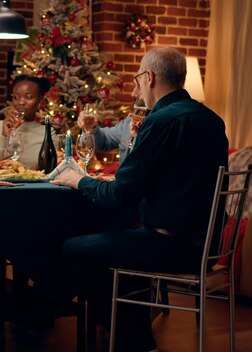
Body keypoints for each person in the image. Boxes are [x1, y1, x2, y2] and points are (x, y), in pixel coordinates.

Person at [51, 47, 229, 351]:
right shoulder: (213, 120)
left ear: (149, 77)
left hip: (169, 246)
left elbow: (120, 194)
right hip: (205, 247)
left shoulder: (159, 122)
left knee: (72, 247)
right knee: (124, 242)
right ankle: (133, 335)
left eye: (137, 78)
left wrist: (78, 180)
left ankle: (128, 337)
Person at [0, 75, 52, 169]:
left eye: (28, 97)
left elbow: (51, 168)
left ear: (40, 99)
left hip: (34, 183)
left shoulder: (47, 133)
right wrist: (4, 136)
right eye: (16, 97)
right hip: (0, 183)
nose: (21, 102)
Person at [77, 103, 147, 164]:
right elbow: (104, 139)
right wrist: (91, 127)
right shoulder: (128, 122)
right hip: (122, 178)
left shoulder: (155, 125)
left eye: (139, 87)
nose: (133, 93)